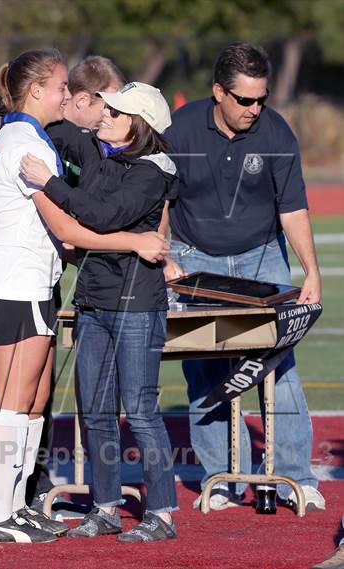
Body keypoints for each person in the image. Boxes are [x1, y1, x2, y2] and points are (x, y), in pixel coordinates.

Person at [0, 49, 168, 544]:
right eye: (59, 89)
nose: (67, 97)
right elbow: (68, 226)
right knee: (12, 405)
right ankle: (0, 517)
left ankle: (18, 507)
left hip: (25, 281)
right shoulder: (27, 143)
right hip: (15, 282)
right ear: (36, 93)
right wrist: (134, 241)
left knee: (34, 402)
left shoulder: (23, 135)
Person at [163, 42, 325, 511]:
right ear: (219, 92)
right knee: (204, 371)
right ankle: (222, 481)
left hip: (262, 259)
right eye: (245, 100)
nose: (255, 109)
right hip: (195, 259)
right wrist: (164, 256)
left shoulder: (276, 132)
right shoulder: (180, 129)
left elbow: (292, 207)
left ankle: (297, 477)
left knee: (281, 369)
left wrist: (310, 271)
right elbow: (160, 199)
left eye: (262, 99)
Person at [19, 81, 179, 542]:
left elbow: (104, 216)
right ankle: (105, 508)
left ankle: (163, 514)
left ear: (140, 126)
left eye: (117, 113)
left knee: (142, 412)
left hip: (136, 307)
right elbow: (51, 126)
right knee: (95, 412)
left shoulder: (152, 173)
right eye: (106, 109)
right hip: (92, 302)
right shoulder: (99, 150)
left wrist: (48, 183)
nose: (104, 116)